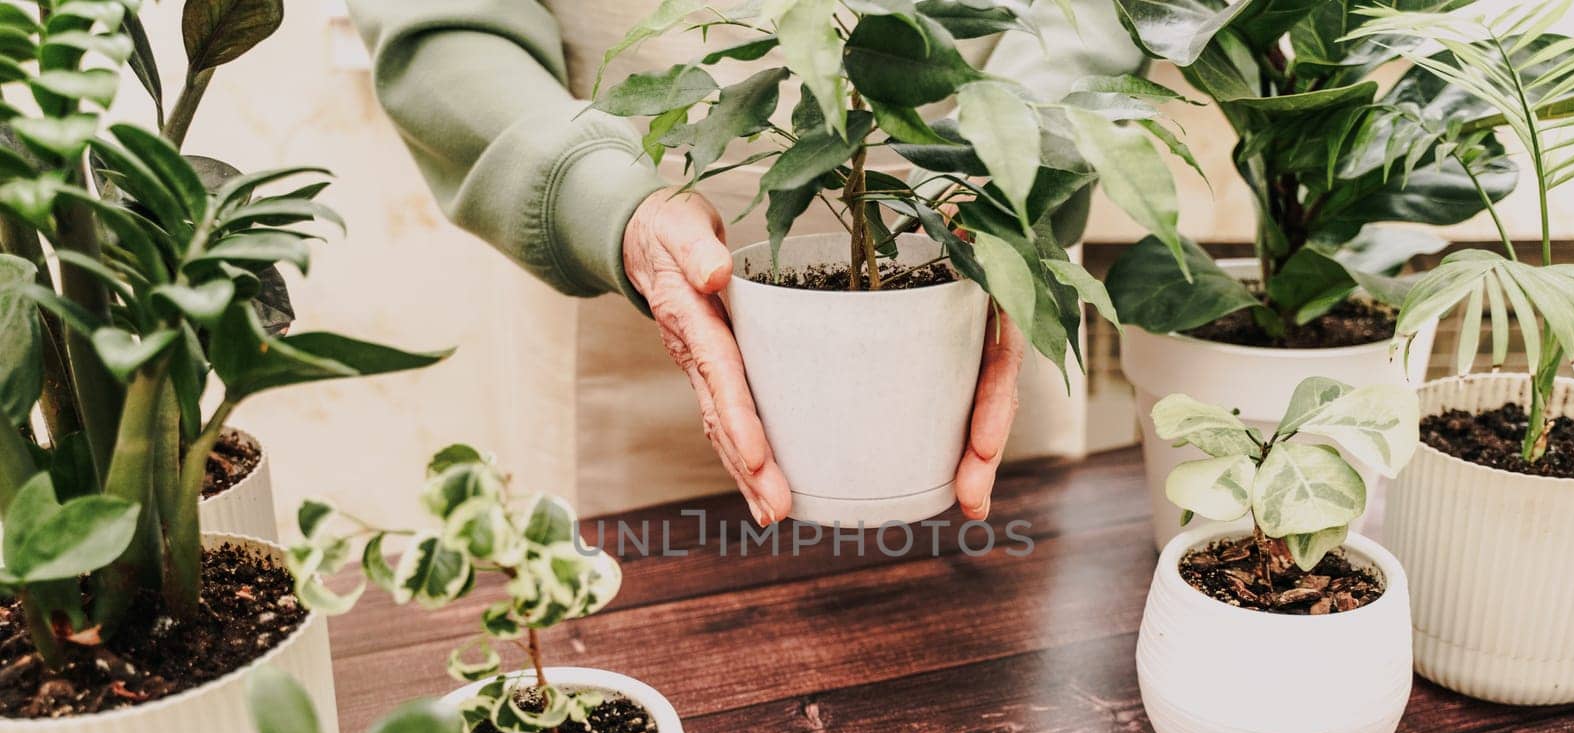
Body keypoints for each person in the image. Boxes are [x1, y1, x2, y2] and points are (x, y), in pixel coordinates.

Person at [347, 0, 1142, 524]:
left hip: (968, 294)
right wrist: (602, 204)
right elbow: (441, 24)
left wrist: (1017, 181)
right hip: (630, 345)